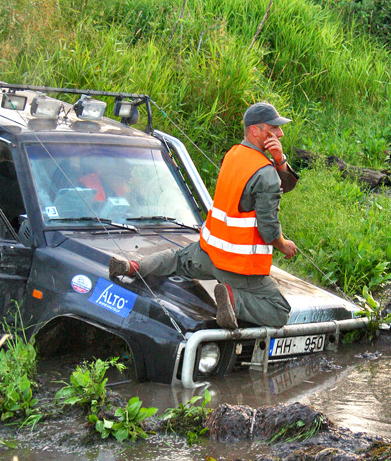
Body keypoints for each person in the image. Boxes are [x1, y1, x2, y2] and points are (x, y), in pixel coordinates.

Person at [109, 101, 298, 329]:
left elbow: (277, 185)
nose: (280, 133)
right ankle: (232, 299)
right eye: (274, 128)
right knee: (279, 311)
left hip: (209, 252)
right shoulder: (265, 173)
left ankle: (134, 266)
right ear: (255, 130)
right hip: (239, 267)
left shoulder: (234, 155)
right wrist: (283, 244)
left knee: (177, 259)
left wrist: (280, 161)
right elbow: (269, 230)